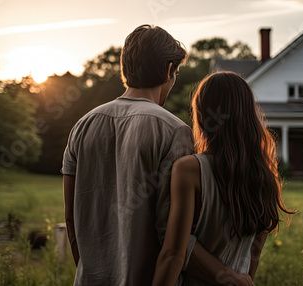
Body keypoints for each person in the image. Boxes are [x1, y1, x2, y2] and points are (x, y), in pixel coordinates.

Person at [62, 26, 253, 286]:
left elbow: (71, 217)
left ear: (124, 69)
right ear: (168, 71)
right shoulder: (174, 132)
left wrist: (90, 270)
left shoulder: (82, 126)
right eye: (176, 74)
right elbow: (175, 236)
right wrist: (231, 277)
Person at [152, 71, 297, 285]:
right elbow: (253, 256)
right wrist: (239, 279)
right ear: (248, 114)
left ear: (201, 115)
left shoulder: (189, 168)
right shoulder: (265, 175)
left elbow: (174, 253)